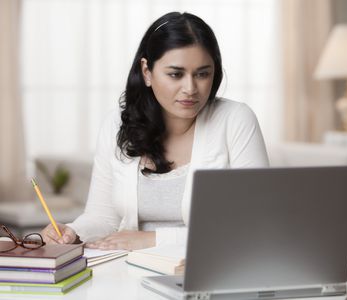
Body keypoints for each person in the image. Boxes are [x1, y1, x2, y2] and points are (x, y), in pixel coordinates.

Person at [41, 11, 269, 250]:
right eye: (175, 74)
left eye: (203, 74)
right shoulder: (116, 125)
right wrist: (72, 232)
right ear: (147, 72)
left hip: (205, 271)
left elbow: (256, 223)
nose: (190, 88)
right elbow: (103, 217)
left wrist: (155, 240)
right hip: (127, 271)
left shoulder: (236, 120)